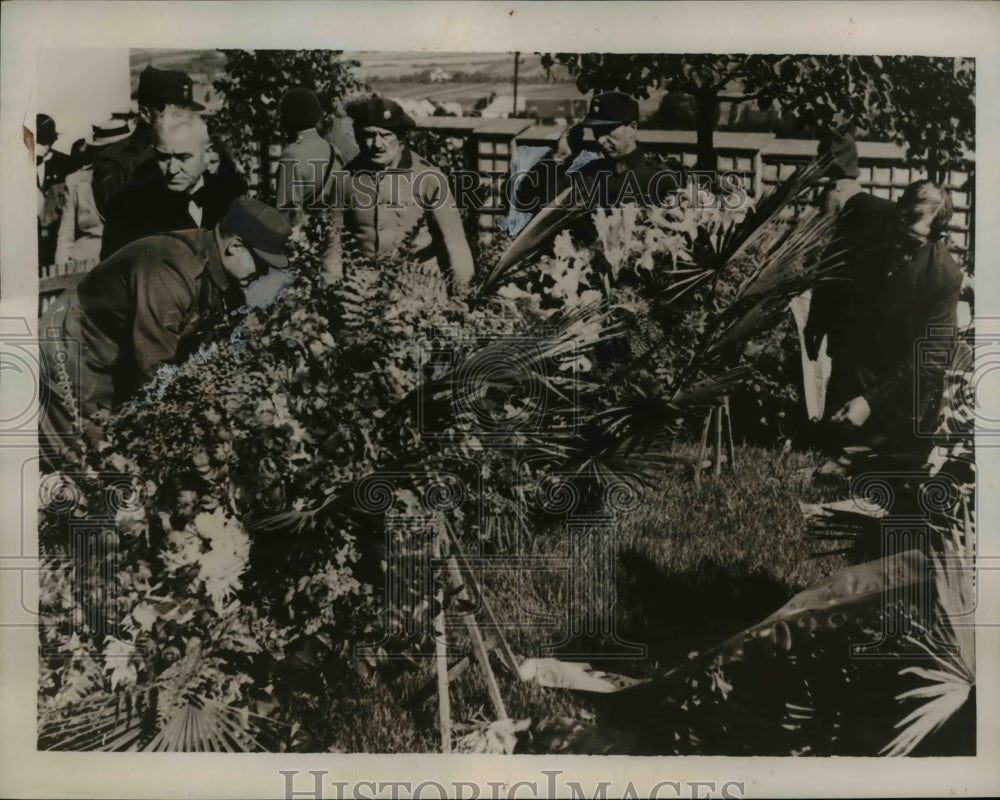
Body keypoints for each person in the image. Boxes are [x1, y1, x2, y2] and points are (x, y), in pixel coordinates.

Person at [39, 197, 292, 469]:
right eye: (261, 263)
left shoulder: (214, 265)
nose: (263, 273)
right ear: (236, 246)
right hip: (75, 346)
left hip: (118, 352)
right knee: (86, 461)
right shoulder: (171, 272)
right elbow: (154, 371)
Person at [826, 180, 963, 455]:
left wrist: (870, 401)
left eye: (911, 241)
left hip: (906, 379)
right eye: (898, 230)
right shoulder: (868, 213)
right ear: (898, 205)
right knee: (831, 440)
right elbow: (834, 257)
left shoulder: (944, 276)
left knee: (889, 455)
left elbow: (930, 358)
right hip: (860, 353)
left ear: (935, 237)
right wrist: (818, 318)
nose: (898, 244)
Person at [804, 130, 898, 418]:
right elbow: (827, 280)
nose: (820, 200)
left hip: (866, 340)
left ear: (838, 188)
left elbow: (829, 280)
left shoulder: (871, 218)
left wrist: (815, 327)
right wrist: (815, 327)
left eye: (825, 190)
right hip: (867, 337)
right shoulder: (884, 212)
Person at [339, 95, 474, 294]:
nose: (377, 144)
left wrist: (463, 299)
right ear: (359, 138)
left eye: (385, 135)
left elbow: (456, 246)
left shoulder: (429, 178)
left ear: (400, 138)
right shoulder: (346, 178)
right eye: (369, 135)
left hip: (418, 290)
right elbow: (332, 241)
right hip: (361, 290)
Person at [510, 90, 685, 216]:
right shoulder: (587, 175)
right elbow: (526, 202)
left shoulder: (660, 179)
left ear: (632, 129)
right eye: (597, 131)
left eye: (608, 129)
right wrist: (559, 157)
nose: (600, 140)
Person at [100, 106, 244, 259]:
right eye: (164, 157)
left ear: (207, 153)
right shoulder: (126, 206)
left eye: (183, 158)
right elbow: (115, 277)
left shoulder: (231, 196)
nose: (172, 169)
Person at [92, 66, 205, 216]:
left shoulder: (195, 152)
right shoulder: (112, 159)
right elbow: (109, 206)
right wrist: (157, 153)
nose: (184, 121)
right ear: (145, 114)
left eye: (186, 113)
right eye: (175, 114)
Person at [54, 118, 132, 268]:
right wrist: (61, 276)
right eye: (107, 148)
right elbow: (65, 236)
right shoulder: (75, 180)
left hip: (126, 261)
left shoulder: (137, 175)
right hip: (87, 265)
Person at [274, 87, 344, 228]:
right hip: (330, 234)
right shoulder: (334, 151)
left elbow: (287, 213)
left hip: (302, 239)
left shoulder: (291, 154)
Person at [36, 113, 75, 267]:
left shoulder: (65, 163)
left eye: (46, 140)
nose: (43, 146)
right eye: (39, 141)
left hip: (57, 236)